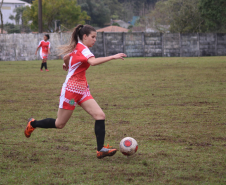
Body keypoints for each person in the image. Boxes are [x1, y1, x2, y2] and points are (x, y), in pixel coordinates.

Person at [25, 24, 127, 159]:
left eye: (95, 37)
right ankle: (33, 123)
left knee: (100, 115)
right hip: (71, 93)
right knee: (59, 124)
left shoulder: (79, 47)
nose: (95, 40)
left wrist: (66, 64)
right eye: (93, 37)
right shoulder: (84, 50)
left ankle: (100, 149)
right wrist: (113, 56)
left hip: (83, 91)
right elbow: (93, 62)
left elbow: (66, 57)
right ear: (84, 36)